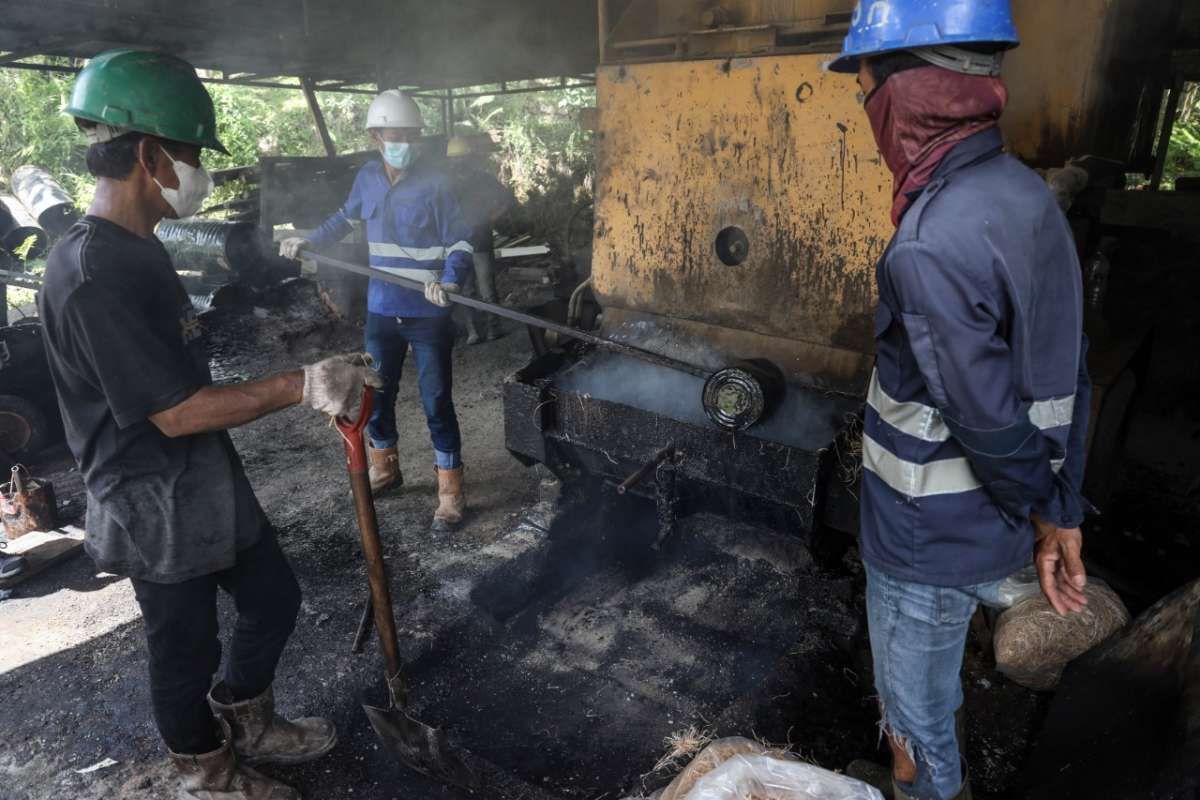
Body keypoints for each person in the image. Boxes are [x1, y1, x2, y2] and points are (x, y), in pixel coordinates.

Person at [39, 49, 382, 800]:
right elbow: (174, 410)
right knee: (183, 650)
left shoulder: (138, 248)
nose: (198, 171)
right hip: (147, 493)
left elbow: (181, 382)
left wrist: (295, 383)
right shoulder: (94, 273)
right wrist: (302, 383)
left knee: (272, 600)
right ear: (148, 154)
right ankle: (207, 773)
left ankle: (248, 720)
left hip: (198, 471)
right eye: (191, 154)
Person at [827, 3, 1092, 799]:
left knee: (914, 723)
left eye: (866, 87)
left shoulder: (930, 241)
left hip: (924, 537)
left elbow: (982, 418)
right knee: (938, 693)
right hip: (993, 527)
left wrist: (1046, 510)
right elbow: (1070, 369)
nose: (866, 109)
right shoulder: (1025, 195)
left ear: (908, 93)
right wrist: (1062, 508)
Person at [279, 92, 474, 529]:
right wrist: (311, 241)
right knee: (376, 393)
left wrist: (450, 280)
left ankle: (450, 490)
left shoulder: (436, 183)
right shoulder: (367, 177)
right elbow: (344, 220)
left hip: (428, 314)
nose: (404, 142)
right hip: (383, 309)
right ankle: (385, 467)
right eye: (395, 135)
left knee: (437, 400)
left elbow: (460, 239)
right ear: (375, 137)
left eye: (411, 135)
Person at [445, 134, 516, 343]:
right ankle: (474, 331)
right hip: (459, 246)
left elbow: (507, 200)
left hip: (480, 242)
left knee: (486, 289)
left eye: (462, 157)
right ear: (450, 161)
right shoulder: (447, 184)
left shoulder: (483, 180)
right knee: (466, 291)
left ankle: (492, 328)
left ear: (469, 158)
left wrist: (491, 218)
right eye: (455, 158)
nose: (459, 161)